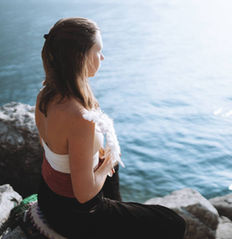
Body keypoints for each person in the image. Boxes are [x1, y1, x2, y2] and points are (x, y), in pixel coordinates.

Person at [33, 17, 186, 239]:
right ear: (80, 57)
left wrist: (101, 160)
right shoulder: (80, 117)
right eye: (98, 51)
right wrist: (108, 163)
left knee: (111, 174)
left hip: (49, 196)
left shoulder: (45, 95)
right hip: (73, 214)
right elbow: (84, 195)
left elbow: (54, 149)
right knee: (173, 223)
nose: (102, 57)